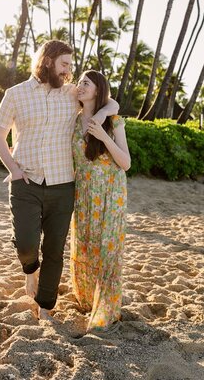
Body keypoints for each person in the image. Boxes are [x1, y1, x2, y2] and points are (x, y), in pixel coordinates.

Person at [0, 41, 118, 321]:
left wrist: (99, 117)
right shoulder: (16, 94)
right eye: (64, 64)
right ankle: (29, 270)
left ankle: (46, 306)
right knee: (25, 244)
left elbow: (111, 101)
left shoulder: (72, 93)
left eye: (70, 66)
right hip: (25, 180)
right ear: (48, 61)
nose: (68, 71)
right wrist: (13, 169)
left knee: (54, 250)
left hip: (62, 185)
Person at [70, 70, 131, 333]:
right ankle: (85, 301)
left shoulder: (113, 121)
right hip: (83, 192)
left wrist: (103, 134)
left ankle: (106, 307)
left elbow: (126, 163)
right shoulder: (72, 120)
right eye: (79, 82)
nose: (80, 86)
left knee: (107, 249)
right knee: (85, 245)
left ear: (98, 89)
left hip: (111, 193)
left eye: (86, 83)